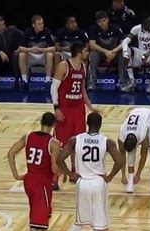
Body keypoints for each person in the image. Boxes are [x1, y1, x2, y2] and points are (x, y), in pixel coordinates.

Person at [59, 112, 124, 231]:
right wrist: (110, 176)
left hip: (82, 182)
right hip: (97, 183)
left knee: (79, 221)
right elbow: (120, 161)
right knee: (99, 224)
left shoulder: (76, 139)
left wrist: (70, 174)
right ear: (100, 125)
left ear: (87, 123)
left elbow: (59, 159)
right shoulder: (106, 141)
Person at [7, 112, 61, 231]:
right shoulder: (53, 143)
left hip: (29, 181)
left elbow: (10, 153)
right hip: (41, 184)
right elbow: (54, 169)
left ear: (41, 122)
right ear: (54, 125)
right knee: (36, 222)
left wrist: (16, 175)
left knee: (44, 214)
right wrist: (69, 172)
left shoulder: (28, 136)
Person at [50, 42, 98, 190]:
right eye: (85, 51)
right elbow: (53, 88)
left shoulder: (83, 67)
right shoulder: (64, 66)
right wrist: (56, 108)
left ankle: (73, 171)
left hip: (78, 109)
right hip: (65, 108)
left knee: (77, 143)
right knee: (59, 143)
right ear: (79, 53)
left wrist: (90, 106)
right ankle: (54, 176)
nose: (87, 53)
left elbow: (82, 89)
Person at [118, 107, 150, 193]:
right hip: (136, 114)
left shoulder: (142, 134)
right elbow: (121, 155)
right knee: (131, 155)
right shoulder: (122, 134)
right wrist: (123, 175)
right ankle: (130, 181)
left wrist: (138, 174)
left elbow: (143, 155)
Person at [121, 14, 150, 93]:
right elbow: (125, 41)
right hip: (141, 54)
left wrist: (148, 53)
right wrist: (125, 53)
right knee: (128, 51)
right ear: (142, 24)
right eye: (147, 23)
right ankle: (132, 81)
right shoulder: (136, 28)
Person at [88, 10, 126, 91]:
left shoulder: (115, 28)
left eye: (103, 21)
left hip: (114, 53)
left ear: (107, 19)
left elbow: (124, 43)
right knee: (92, 54)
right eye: (99, 22)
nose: (102, 23)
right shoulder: (93, 29)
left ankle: (123, 82)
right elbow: (92, 45)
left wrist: (113, 52)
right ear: (97, 22)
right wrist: (105, 51)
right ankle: (92, 82)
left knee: (123, 54)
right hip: (101, 53)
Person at [18, 15, 55, 90]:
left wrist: (42, 50)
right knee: (21, 55)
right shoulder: (27, 32)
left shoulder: (47, 31)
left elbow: (53, 48)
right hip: (31, 55)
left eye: (42, 23)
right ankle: (24, 80)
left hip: (43, 55)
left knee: (50, 55)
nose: (41, 25)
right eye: (39, 24)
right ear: (33, 25)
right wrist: (30, 50)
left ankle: (47, 81)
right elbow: (20, 48)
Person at [0, 16, 23, 89]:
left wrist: (20, 47)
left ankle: (17, 82)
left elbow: (22, 36)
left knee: (15, 55)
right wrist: (0, 52)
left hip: (11, 57)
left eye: (3, 24)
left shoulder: (12, 29)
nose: (2, 27)